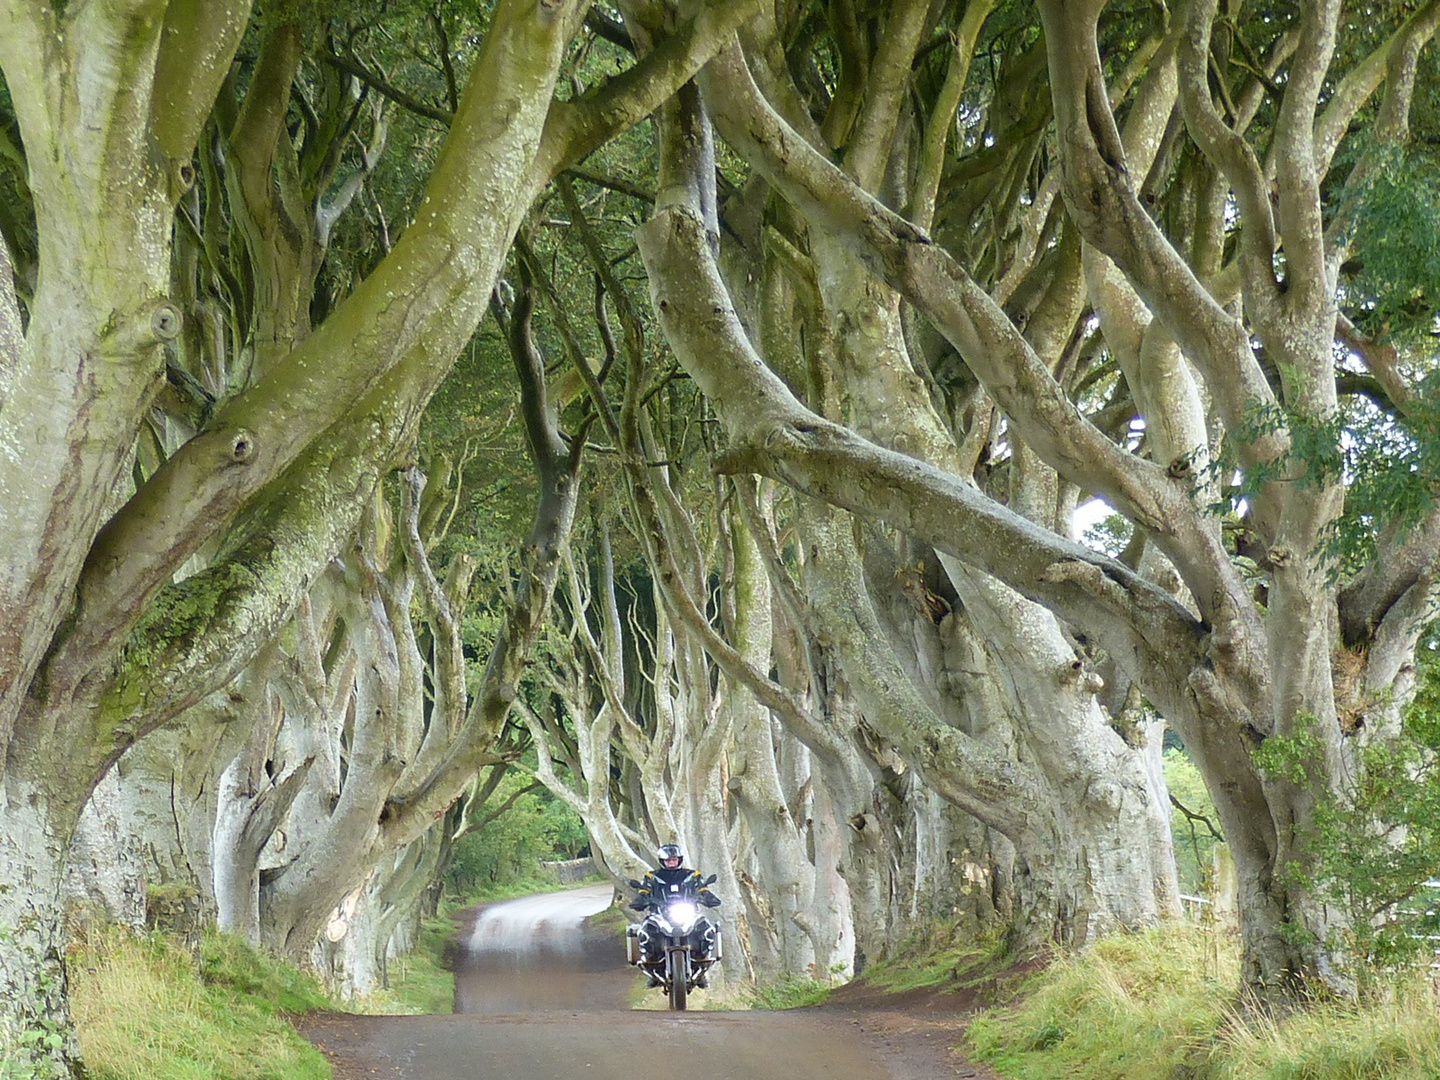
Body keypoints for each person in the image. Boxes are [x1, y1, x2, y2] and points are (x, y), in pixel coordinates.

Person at [629, 843, 721, 987]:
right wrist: (640, 900)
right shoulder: (652, 876)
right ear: (662, 861)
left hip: (688, 912)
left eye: (674, 859)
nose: (672, 862)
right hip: (660, 914)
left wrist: (708, 897)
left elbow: (702, 888)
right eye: (668, 860)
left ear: (680, 859)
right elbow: (644, 891)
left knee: (706, 928)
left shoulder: (692, 875)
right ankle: (652, 969)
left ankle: (701, 969)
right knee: (645, 931)